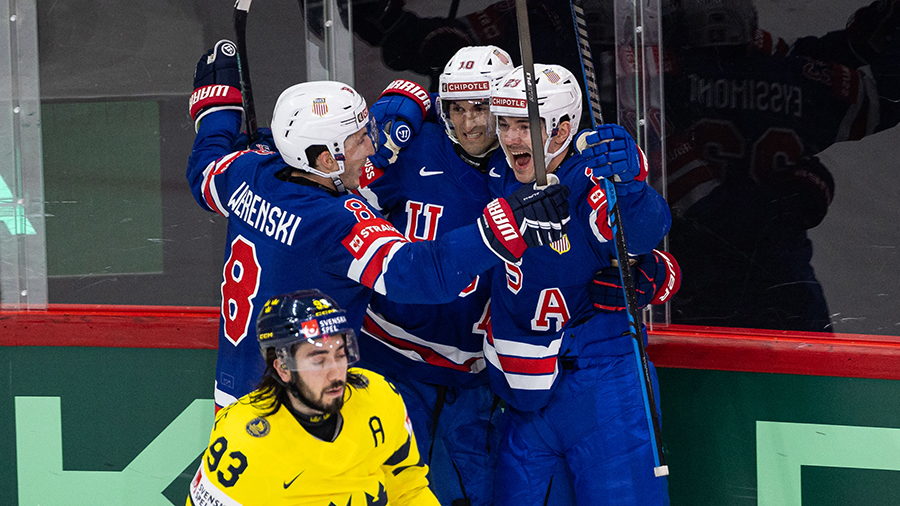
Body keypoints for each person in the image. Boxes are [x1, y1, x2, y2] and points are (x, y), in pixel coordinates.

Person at [186, 40, 571, 410]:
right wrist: (506, 227)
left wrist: (217, 109)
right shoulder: (336, 221)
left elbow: (204, 168)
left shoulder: (248, 171)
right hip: (302, 412)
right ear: (324, 159)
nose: (372, 149)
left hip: (236, 403)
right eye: (357, 141)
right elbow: (420, 273)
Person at [484, 64, 676, 505]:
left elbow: (644, 232)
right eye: (506, 124)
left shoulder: (589, 177)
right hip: (520, 395)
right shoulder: (495, 171)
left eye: (525, 125)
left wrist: (630, 188)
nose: (512, 138)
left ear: (563, 128)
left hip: (603, 385)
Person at [351, 45, 513, 506]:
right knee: (384, 491)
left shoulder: (523, 165)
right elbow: (337, 188)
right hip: (391, 364)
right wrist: (395, 106)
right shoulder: (416, 147)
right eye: (456, 109)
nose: (469, 124)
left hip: (475, 378)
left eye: (480, 107)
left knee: (472, 495)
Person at [187, 289, 440, 505]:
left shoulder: (378, 396)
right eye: (318, 361)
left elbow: (408, 488)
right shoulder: (243, 441)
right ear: (283, 368)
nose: (335, 373)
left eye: (340, 355)